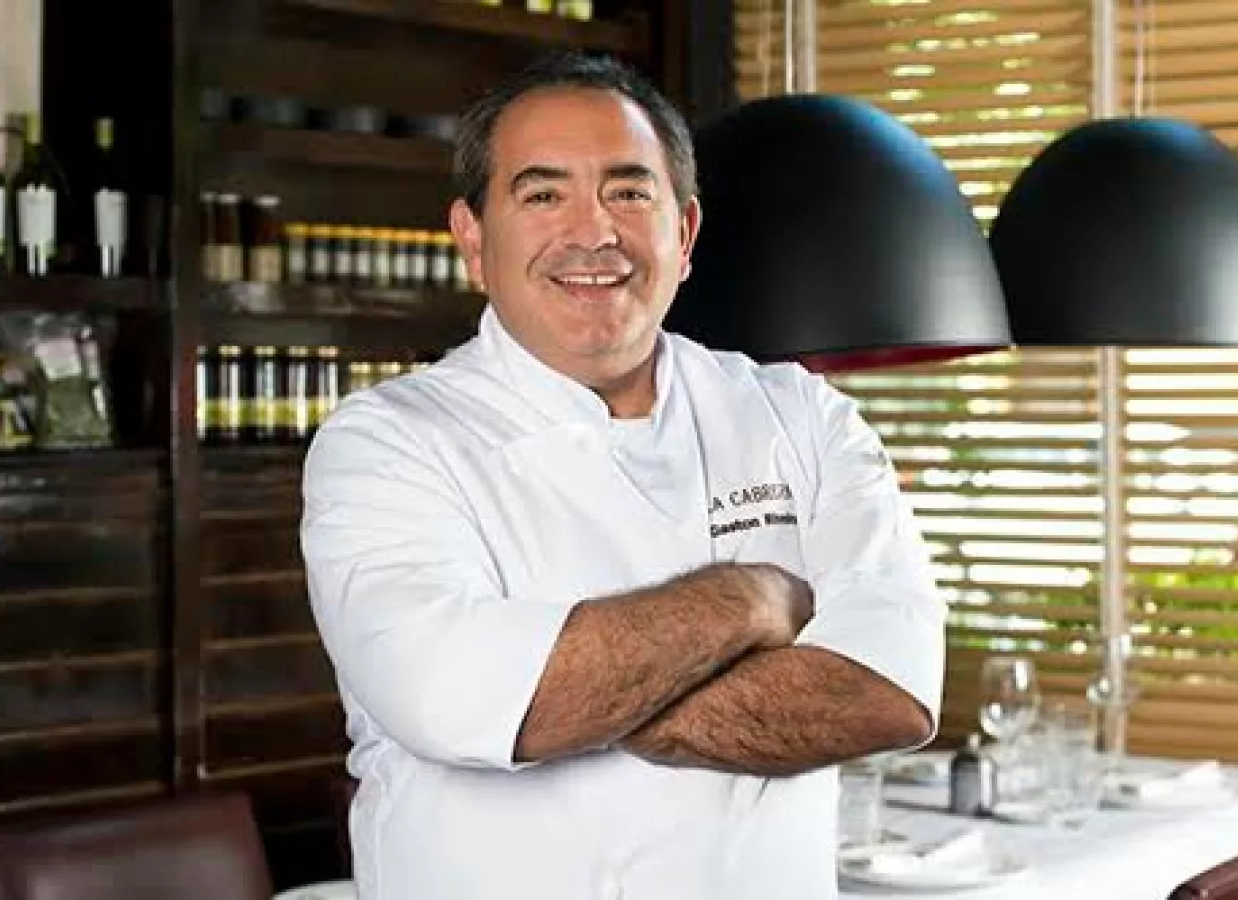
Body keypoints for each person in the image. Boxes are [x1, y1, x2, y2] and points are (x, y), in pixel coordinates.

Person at [300, 50, 946, 900]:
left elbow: (889, 694)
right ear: (473, 239)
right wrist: (753, 597)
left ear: (685, 233)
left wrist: (573, 692)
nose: (592, 233)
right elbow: (457, 701)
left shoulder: (799, 414)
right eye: (542, 195)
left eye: (629, 192)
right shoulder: (386, 443)